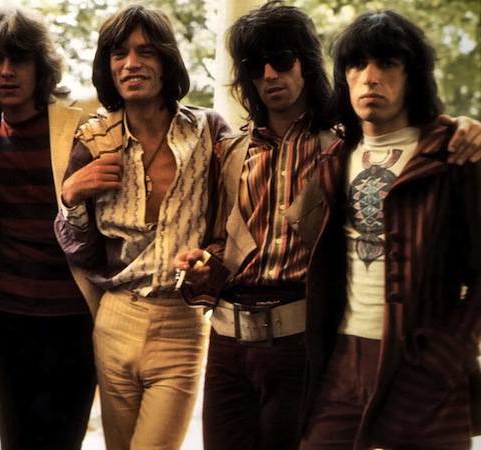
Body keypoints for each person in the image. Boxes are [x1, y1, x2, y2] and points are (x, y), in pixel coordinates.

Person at [173, 3, 481, 450]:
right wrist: (204, 265)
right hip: (239, 345)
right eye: (255, 66)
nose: (269, 75)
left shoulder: (339, 147)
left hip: (306, 340)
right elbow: (221, 243)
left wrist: (463, 129)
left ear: (306, 62)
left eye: (282, 59)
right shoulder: (235, 151)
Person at [299, 10, 481, 450]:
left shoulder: (451, 156)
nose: (370, 78)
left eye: (387, 63)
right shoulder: (334, 159)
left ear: (412, 74)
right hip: (343, 358)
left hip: (421, 361)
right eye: (356, 64)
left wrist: (449, 352)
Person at [54, 4, 231, 449]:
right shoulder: (94, 139)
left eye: (146, 51)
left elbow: (231, 227)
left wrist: (210, 260)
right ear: (108, 66)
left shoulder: (210, 131)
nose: (131, 63)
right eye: (119, 53)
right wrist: (71, 195)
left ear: (167, 60)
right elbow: (82, 250)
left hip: (182, 322)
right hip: (115, 316)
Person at [0, 7, 97, 450]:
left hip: (73, 317)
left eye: (19, 58)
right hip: (6, 317)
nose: (7, 71)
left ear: (40, 66)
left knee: (63, 441)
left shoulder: (81, 125)